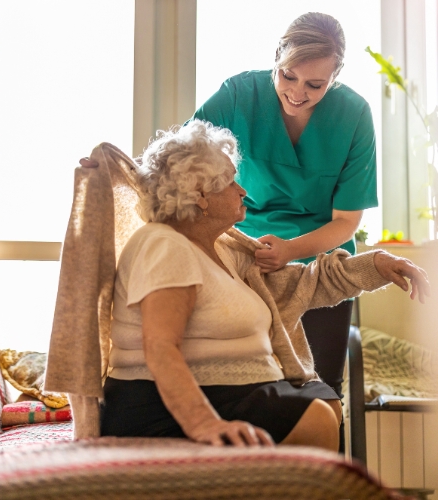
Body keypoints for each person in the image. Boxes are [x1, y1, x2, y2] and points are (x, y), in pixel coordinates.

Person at [98, 120, 429, 450]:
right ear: (200, 194)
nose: (242, 191)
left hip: (232, 391)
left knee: (324, 405)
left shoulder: (227, 251)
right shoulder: (165, 245)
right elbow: (160, 347)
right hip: (158, 405)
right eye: (230, 181)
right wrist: (204, 423)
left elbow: (306, 283)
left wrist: (378, 265)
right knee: (315, 418)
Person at [188, 12, 377, 429]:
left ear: (335, 76)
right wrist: (115, 169)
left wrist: (292, 250)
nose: (297, 93)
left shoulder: (354, 115)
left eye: (315, 85)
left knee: (323, 390)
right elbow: (182, 156)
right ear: (276, 59)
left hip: (321, 261)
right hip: (244, 257)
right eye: (288, 76)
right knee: (249, 388)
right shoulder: (239, 94)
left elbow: (346, 220)